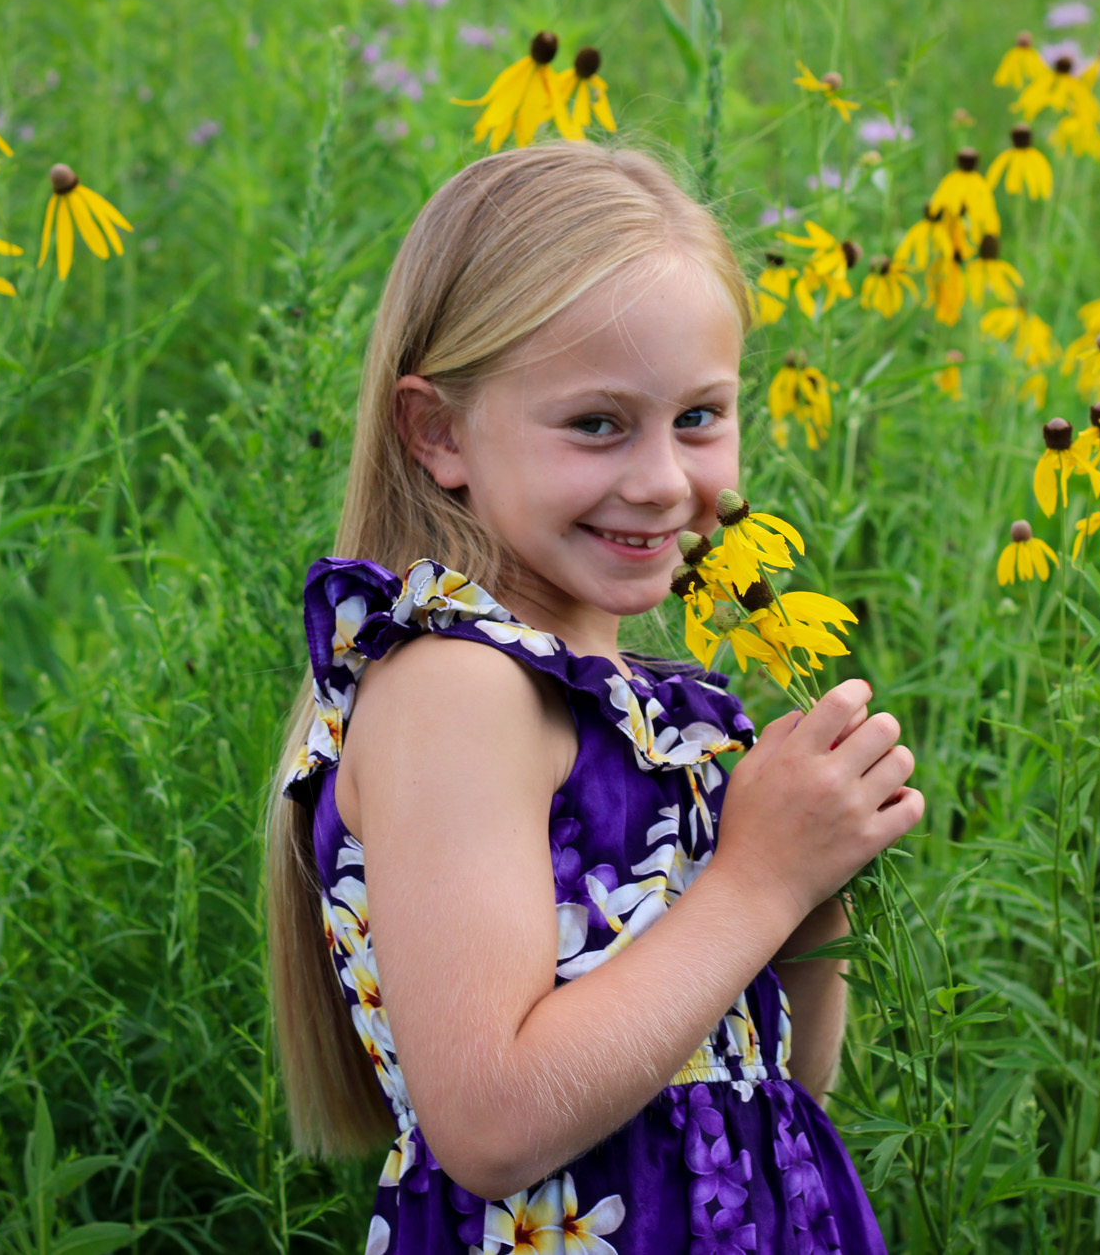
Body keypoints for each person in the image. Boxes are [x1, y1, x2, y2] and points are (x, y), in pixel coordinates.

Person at [264, 142, 923, 1254]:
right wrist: (758, 881)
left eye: (700, 418)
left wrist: (812, 893)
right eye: (597, 424)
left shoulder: (646, 710)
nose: (665, 480)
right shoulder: (452, 688)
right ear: (438, 434)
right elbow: (491, 1120)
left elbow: (776, 1087)